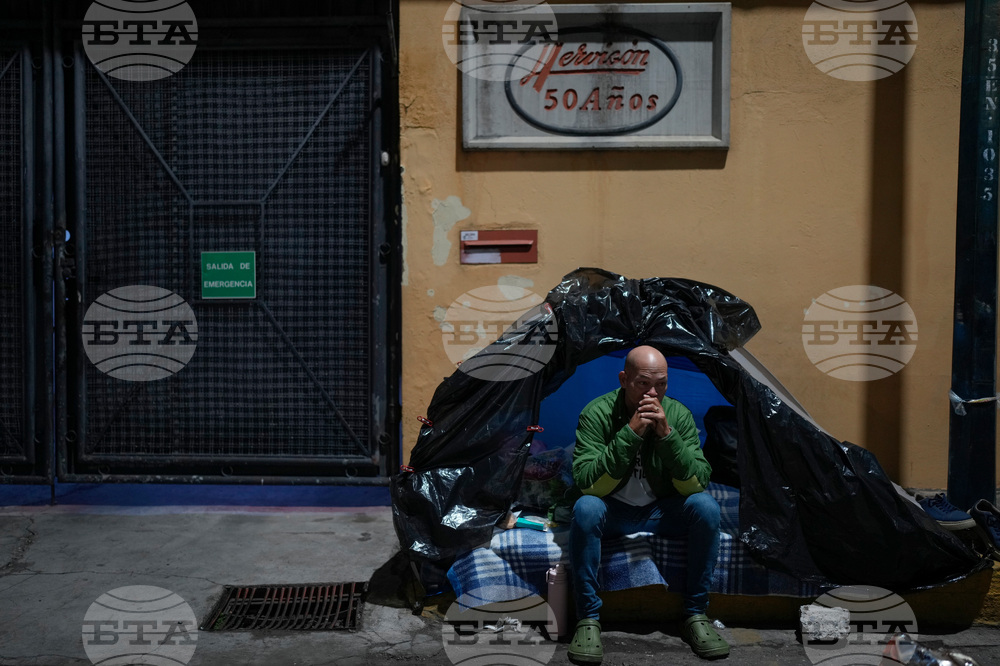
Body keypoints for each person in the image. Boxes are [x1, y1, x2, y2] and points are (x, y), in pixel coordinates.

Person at [567, 346, 728, 663]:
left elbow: (696, 482)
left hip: (660, 512)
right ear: (624, 379)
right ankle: (588, 619)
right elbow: (588, 483)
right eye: (643, 383)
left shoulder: (678, 415)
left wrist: (667, 436)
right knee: (585, 508)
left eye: (662, 384)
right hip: (613, 511)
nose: (653, 393)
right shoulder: (596, 413)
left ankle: (695, 615)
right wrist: (629, 434)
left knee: (706, 507)